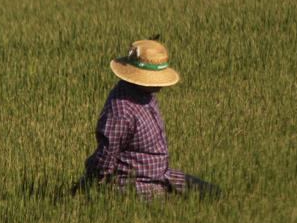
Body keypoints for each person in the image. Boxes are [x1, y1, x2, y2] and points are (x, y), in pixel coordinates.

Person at [82, 39, 219, 199]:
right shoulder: (121, 110)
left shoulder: (146, 95)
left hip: (164, 175)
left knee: (214, 194)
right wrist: (88, 184)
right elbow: (105, 158)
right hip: (135, 184)